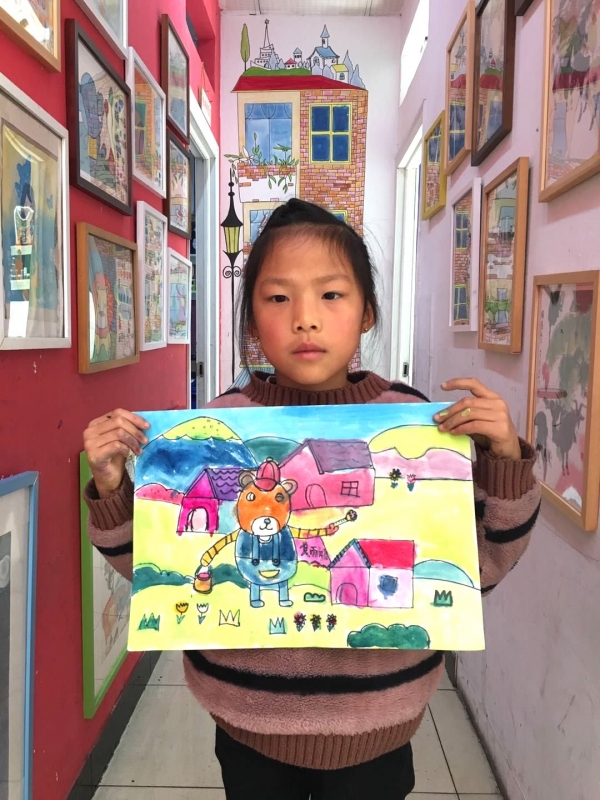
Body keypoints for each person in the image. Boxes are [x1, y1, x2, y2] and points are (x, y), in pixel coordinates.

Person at [82, 199, 541, 800]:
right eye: (278, 297)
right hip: (246, 726)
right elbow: (153, 568)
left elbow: (482, 569)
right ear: (251, 320)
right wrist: (113, 486)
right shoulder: (216, 424)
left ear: (367, 311)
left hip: (378, 730)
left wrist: (504, 462)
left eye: (331, 294)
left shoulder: (421, 424)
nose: (305, 319)